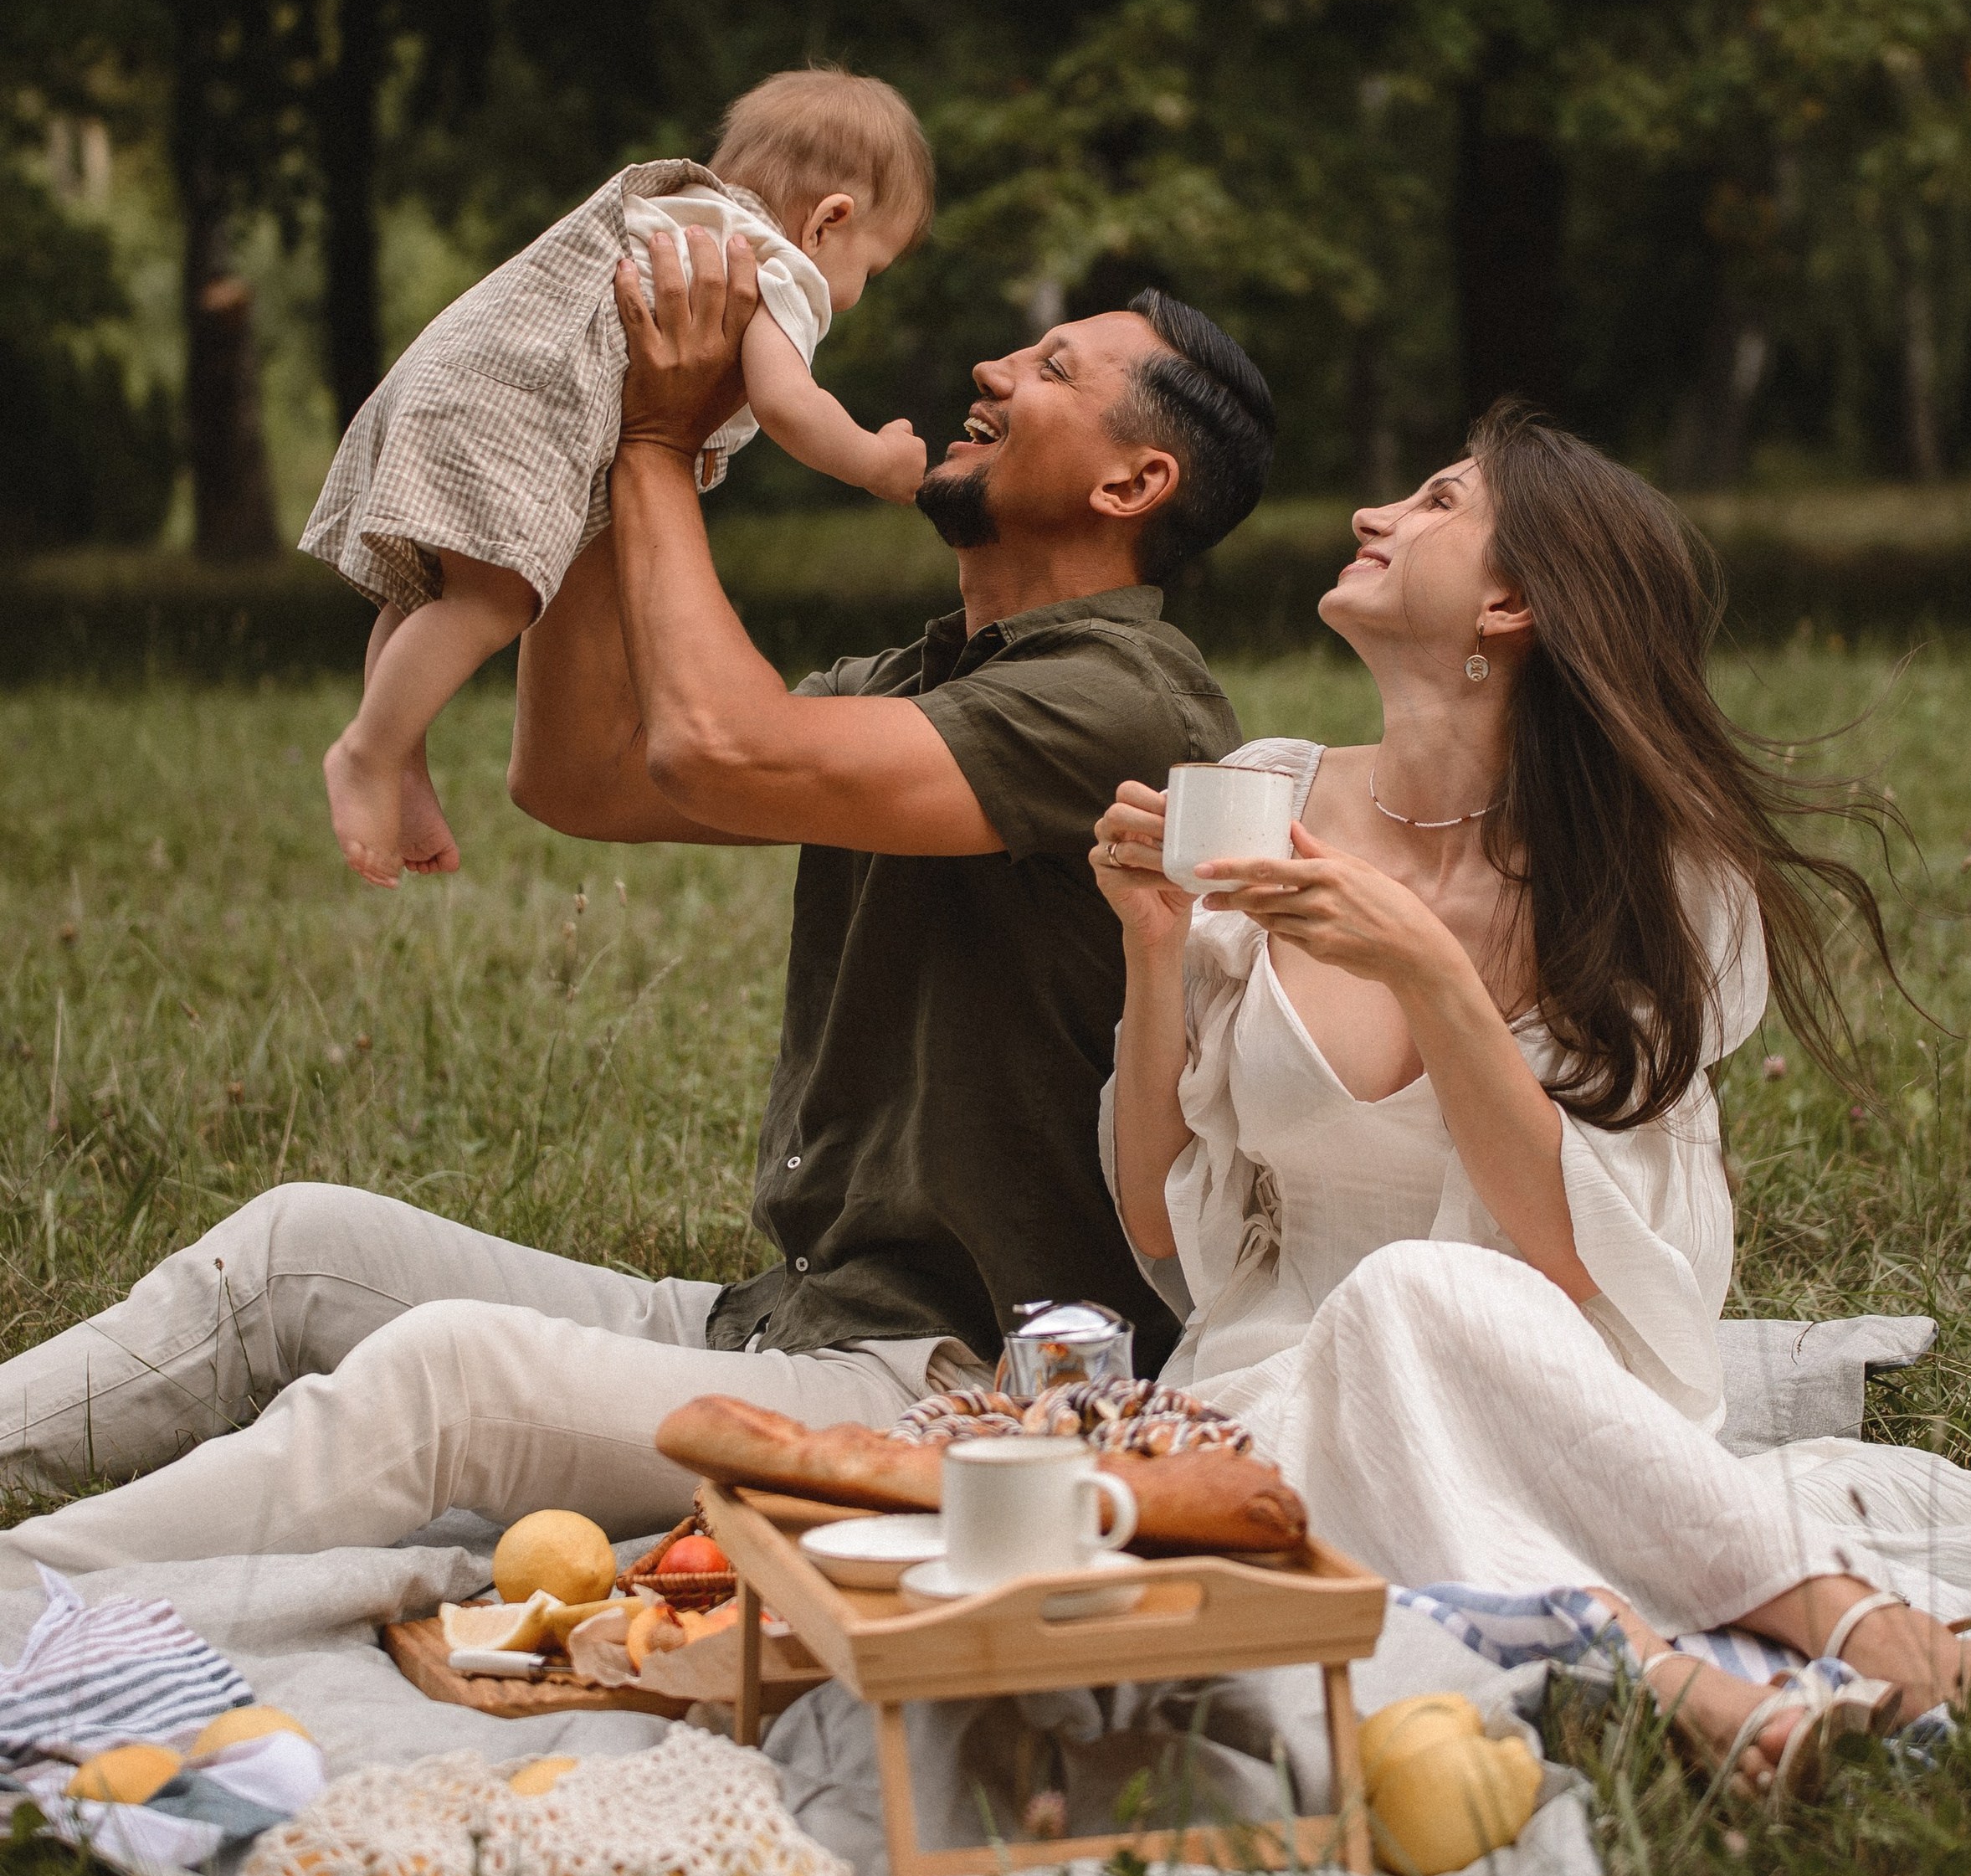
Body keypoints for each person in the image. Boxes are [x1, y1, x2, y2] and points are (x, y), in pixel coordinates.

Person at [0, 232, 1272, 1573]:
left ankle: (23, 1608)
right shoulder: (933, 679)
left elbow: (721, 746)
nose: (993, 367)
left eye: (1052, 367)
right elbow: (585, 773)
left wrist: (666, 448)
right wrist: (609, 437)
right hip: (795, 1317)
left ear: (1137, 479)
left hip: (965, 1394)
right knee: (294, 1247)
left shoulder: (1126, 700)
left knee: (445, 1380)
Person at [1091, 402, 1971, 1798]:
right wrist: (1153, 950)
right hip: (1278, 1401)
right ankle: (1716, 1662)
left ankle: (1776, 1645)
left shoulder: (1648, 881)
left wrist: (1428, 973)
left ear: (1513, 602)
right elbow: (1160, 1218)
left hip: (1562, 1398)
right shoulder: (1259, 799)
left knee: (1420, 1296)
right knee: (1376, 1325)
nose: (1373, 516)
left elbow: (1583, 1260)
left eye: (1439, 502)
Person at [308, 67, 934, 889]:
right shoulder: (771, 264)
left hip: (450, 376)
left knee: (430, 593)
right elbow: (789, 405)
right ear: (828, 221)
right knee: (491, 600)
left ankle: (398, 758)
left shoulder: (683, 214)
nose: (854, 295)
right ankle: (365, 754)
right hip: (513, 408)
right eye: (871, 270)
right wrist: (873, 460)